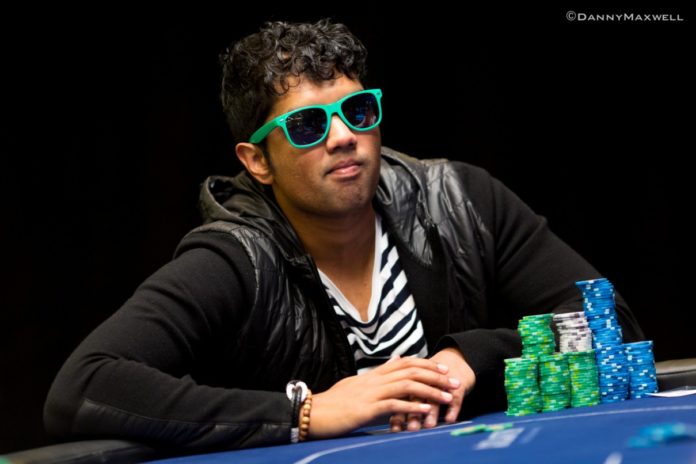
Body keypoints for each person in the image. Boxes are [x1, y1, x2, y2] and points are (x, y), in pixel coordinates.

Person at [44, 19, 644, 451]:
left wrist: (470, 357)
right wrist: (307, 412)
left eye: (357, 113)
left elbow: (610, 320)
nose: (342, 137)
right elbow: (83, 387)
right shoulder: (236, 258)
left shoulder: (461, 201)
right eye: (307, 125)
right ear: (257, 161)